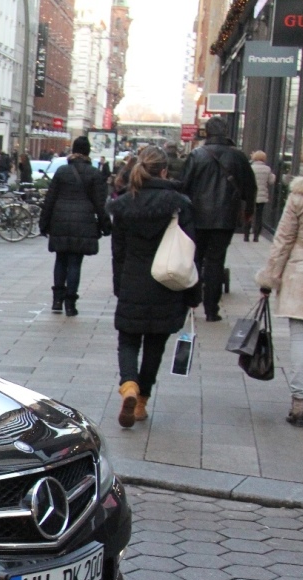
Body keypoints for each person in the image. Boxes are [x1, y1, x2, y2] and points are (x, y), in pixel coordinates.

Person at [106, 146, 200, 428]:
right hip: (167, 283)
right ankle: (142, 401)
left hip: (133, 280)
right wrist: (195, 292)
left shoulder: (123, 204)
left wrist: (119, 285)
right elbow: (191, 251)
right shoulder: (179, 204)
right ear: (163, 171)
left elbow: (118, 251)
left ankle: (129, 386)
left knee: (128, 340)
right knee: (155, 345)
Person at [180, 116, 257, 321]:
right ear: (225, 131)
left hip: (197, 217)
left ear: (207, 132)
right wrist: (248, 212)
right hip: (225, 218)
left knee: (195, 258)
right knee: (215, 261)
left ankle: (191, 301)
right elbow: (250, 188)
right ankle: (211, 309)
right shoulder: (238, 157)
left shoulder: (197, 155)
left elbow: (184, 185)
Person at [256, 175, 303, 427]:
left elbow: (283, 240)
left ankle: (298, 401)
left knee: (302, 337)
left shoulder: (301, 195)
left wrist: (270, 278)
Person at [39, 137, 111, 317]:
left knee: (60, 260)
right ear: (88, 152)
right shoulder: (94, 174)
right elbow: (100, 203)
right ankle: (70, 304)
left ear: (73, 150)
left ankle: (56, 300)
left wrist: (44, 223)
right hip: (83, 223)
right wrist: (106, 225)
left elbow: (50, 199)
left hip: (60, 221)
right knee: (75, 263)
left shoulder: (62, 171)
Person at [247, 150, 274, 242]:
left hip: (251, 195)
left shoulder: (250, 167)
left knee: (249, 213)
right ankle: (256, 236)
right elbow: (271, 181)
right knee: (259, 215)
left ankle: (246, 235)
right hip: (262, 195)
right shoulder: (267, 169)